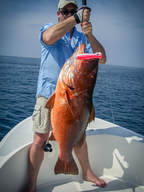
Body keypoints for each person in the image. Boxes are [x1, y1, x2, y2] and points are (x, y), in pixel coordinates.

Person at [26, 0, 107, 191]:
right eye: (66, 11)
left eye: (73, 11)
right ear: (58, 13)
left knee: (80, 138)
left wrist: (90, 35)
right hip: (48, 95)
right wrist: (76, 18)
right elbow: (47, 38)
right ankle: (31, 183)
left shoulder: (82, 39)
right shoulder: (50, 29)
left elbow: (101, 58)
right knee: (39, 139)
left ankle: (86, 171)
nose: (69, 14)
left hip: (75, 97)